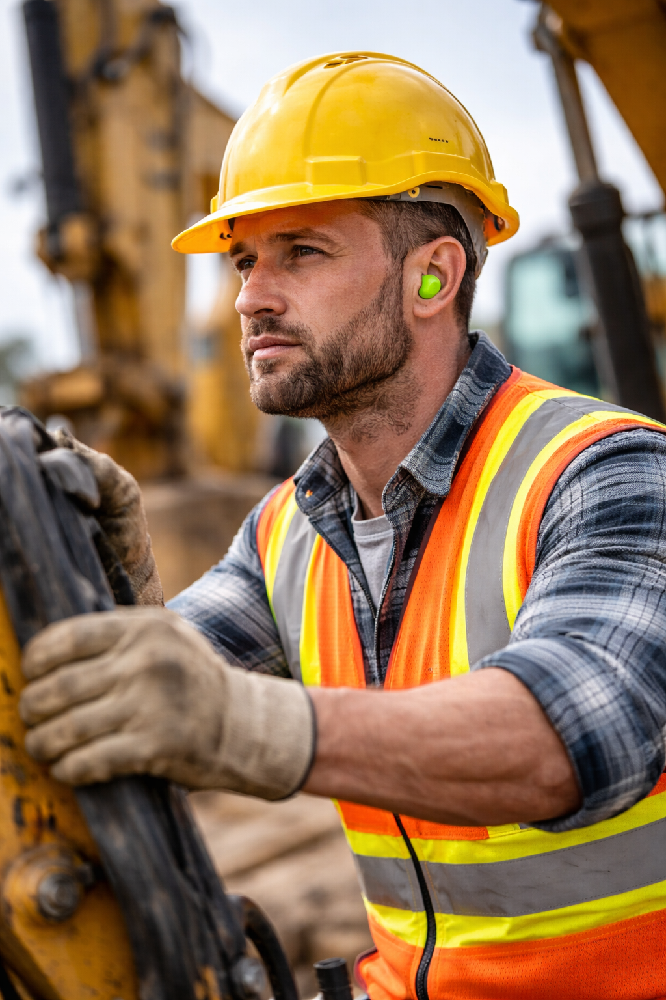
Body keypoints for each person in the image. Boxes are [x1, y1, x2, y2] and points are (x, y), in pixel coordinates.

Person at [17, 53, 666, 1000]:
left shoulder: (605, 471)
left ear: (433, 277)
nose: (250, 297)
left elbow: (569, 735)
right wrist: (103, 593)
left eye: (302, 252)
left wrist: (244, 722)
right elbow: (149, 704)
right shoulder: (288, 530)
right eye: (245, 260)